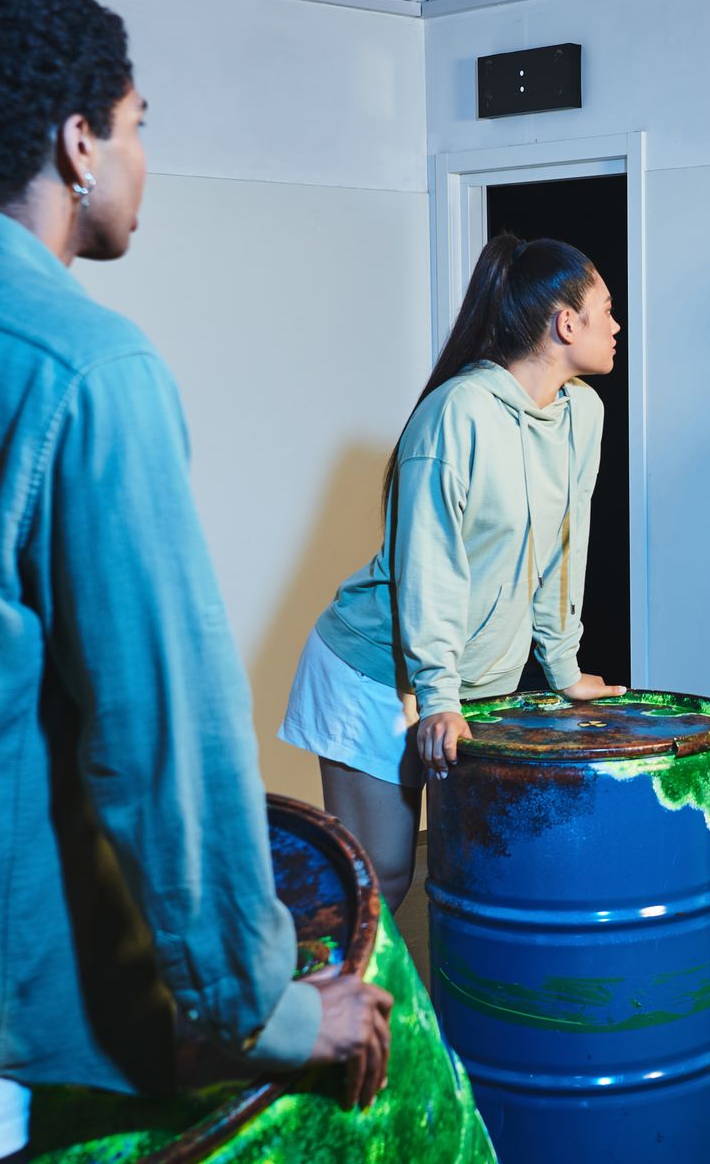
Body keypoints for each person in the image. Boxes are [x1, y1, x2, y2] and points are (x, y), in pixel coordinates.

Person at [0, 0, 393, 1164]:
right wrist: (258, 1006)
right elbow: (163, 738)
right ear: (79, 143)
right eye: (138, 125)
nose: (140, 160)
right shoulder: (85, 368)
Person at [276, 233, 626, 911]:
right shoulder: (456, 415)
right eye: (605, 308)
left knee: (460, 872)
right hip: (374, 671)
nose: (616, 325)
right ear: (565, 323)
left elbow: (562, 549)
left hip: (465, 681)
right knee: (377, 873)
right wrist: (438, 696)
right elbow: (428, 566)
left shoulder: (584, 414)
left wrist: (562, 665)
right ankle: (291, 1003)